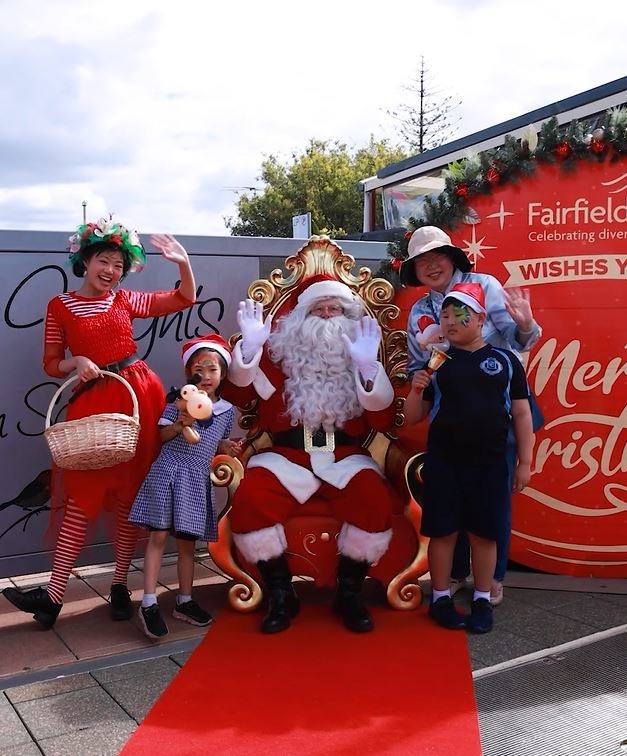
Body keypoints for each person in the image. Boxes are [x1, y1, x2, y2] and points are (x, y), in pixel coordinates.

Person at [2, 220, 196, 629]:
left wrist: (183, 263)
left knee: (128, 498)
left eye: (118, 265)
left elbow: (184, 298)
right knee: (81, 499)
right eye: (102, 261)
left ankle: (120, 586)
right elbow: (51, 363)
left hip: (136, 396)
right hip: (93, 403)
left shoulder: (124, 300)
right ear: (84, 261)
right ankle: (53, 596)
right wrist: (78, 362)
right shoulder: (59, 306)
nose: (110, 270)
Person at [221, 274, 397, 635]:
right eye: (320, 309)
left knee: (373, 498)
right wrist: (250, 350)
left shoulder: (359, 355)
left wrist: (367, 368)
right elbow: (238, 397)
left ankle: (348, 594)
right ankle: (282, 593)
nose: (329, 315)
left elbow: (381, 418)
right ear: (302, 317)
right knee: (252, 498)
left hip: (345, 457)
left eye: (336, 308)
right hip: (286, 456)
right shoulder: (278, 356)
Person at [401, 225, 542, 605]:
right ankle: (456, 575)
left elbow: (517, 339)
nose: (431, 266)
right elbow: (419, 366)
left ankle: (491, 579)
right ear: (413, 270)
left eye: (437, 257)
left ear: (453, 258)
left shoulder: (485, 284)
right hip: (450, 418)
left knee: (492, 501)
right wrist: (418, 380)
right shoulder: (418, 310)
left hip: (500, 410)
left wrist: (526, 324)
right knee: (452, 499)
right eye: (421, 262)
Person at [129, 335, 239, 640]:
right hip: (168, 471)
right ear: (189, 372)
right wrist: (180, 422)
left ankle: (185, 601)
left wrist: (228, 446)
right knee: (159, 535)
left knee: (188, 544)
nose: (205, 376)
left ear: (223, 374)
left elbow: (218, 442)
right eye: (198, 369)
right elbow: (162, 437)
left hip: (195, 479)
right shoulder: (177, 399)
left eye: (212, 369)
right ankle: (149, 602)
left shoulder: (227, 411)